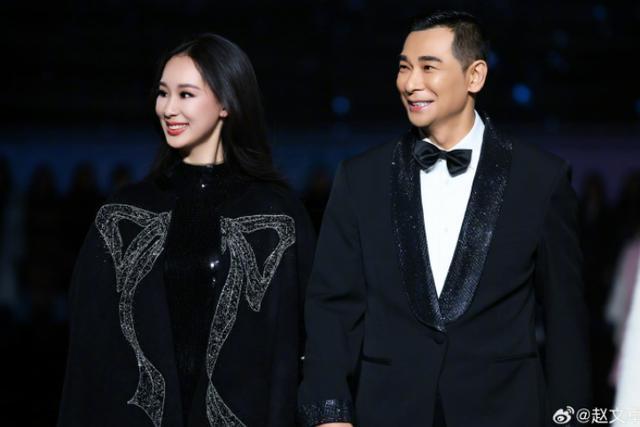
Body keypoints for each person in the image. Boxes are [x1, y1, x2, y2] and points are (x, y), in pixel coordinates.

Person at [298, 11, 591, 427]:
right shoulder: (361, 178)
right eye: (404, 67)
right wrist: (329, 413)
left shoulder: (540, 179)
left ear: (475, 76)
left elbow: (566, 323)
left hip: (505, 412)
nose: (410, 83)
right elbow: (332, 305)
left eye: (428, 67)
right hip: (388, 411)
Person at [58, 33, 315, 427]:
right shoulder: (124, 213)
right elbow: (89, 348)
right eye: (163, 93)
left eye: (186, 94)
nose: (168, 108)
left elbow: (303, 341)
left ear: (227, 102)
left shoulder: (276, 215)